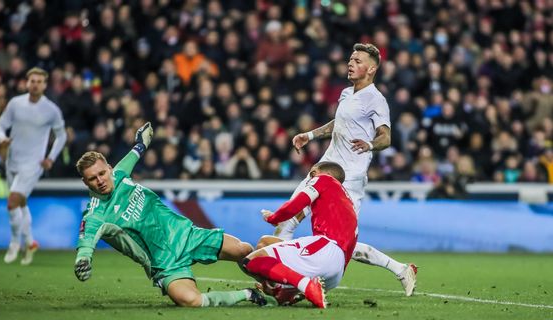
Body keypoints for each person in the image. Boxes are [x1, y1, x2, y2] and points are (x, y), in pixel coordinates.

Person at [272, 43, 418, 296]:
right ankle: (279, 279)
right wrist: (310, 135)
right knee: (287, 220)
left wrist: (370, 144)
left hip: (349, 180)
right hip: (324, 170)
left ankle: (401, 269)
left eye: (358, 61)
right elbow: (338, 123)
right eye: (350, 59)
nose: (351, 63)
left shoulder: (376, 99)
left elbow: (386, 137)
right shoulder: (346, 94)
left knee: (340, 245)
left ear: (371, 69)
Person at [73, 122, 266, 308]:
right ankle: (248, 294)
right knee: (191, 300)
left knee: (244, 250)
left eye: (102, 173)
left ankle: (277, 285)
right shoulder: (95, 215)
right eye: (92, 178)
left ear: (109, 168)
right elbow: (86, 242)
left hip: (185, 234)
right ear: (85, 182)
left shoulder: (120, 173)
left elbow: (137, 150)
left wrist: (143, 141)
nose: (100, 180)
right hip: (164, 263)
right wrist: (83, 260)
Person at [242, 162, 357, 308]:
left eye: (310, 174)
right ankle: (283, 291)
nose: (309, 179)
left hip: (325, 249)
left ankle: (304, 285)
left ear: (315, 172)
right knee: (265, 242)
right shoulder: (347, 202)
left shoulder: (324, 179)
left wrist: (273, 218)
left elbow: (298, 202)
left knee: (251, 261)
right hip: (337, 270)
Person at [0, 67, 67, 265]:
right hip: (13, 160)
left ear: (44, 84)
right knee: (21, 204)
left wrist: (50, 158)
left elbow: (62, 136)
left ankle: (15, 243)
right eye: (32, 81)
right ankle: (30, 241)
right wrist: (2, 139)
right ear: (27, 83)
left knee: (12, 202)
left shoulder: (51, 109)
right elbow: (0, 126)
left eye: (39, 81)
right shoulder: (16, 104)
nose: (35, 84)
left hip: (33, 164)